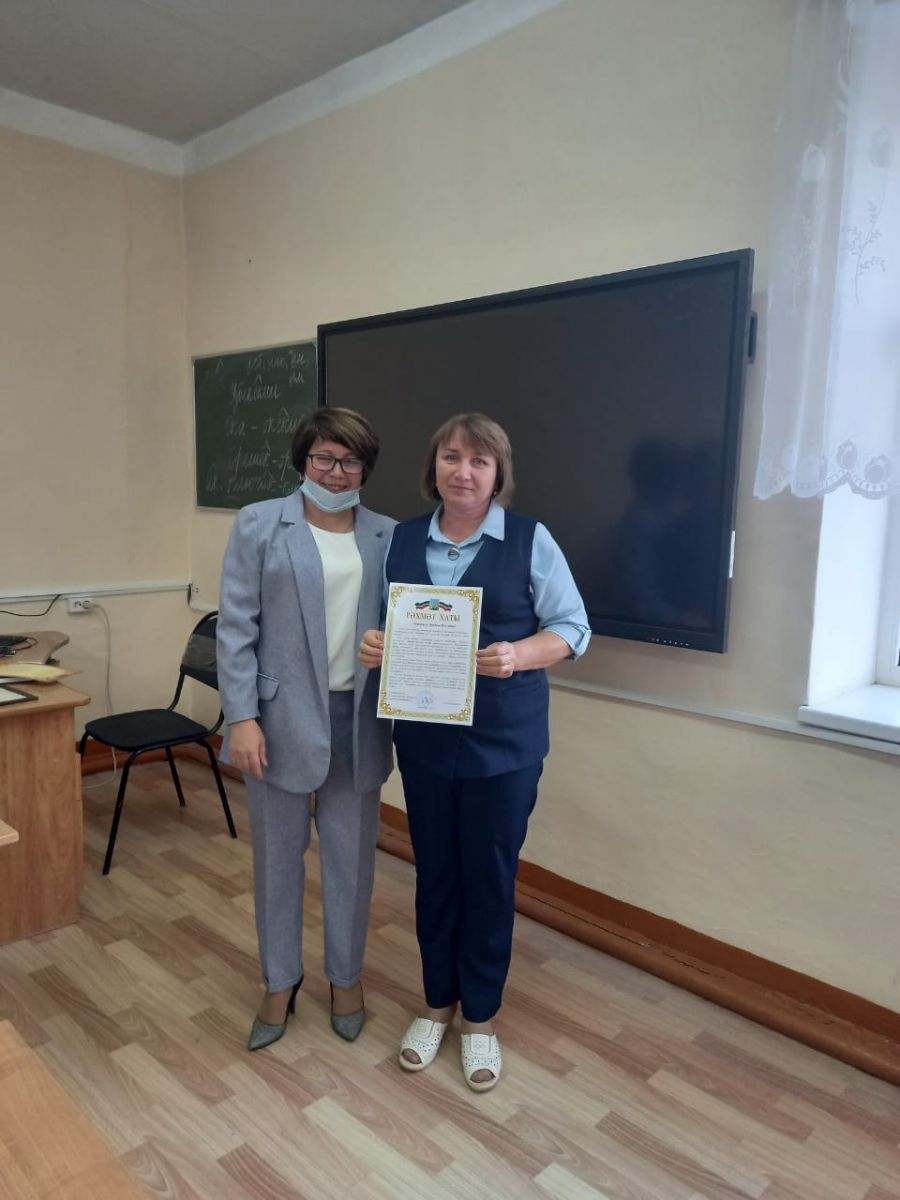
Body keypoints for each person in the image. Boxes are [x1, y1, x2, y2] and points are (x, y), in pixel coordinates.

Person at [360, 413, 590, 1091]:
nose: (463, 472)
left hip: (505, 744)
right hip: (426, 740)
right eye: (451, 457)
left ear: (498, 474)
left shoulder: (530, 539)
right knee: (435, 872)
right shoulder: (401, 539)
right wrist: (374, 643)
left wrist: (519, 654)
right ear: (433, 467)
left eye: (479, 461)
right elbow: (384, 622)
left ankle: (480, 1018)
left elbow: (573, 628)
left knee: (488, 876)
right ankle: (436, 1003)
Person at [218, 408, 395, 1051]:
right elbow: (236, 627)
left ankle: (345, 979)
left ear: (365, 468)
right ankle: (279, 981)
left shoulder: (389, 535)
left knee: (352, 861)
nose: (336, 472)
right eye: (324, 458)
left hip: (359, 721)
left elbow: (407, 623)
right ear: (303, 461)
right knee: (277, 859)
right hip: (277, 720)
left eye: (350, 460)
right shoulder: (261, 523)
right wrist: (241, 717)